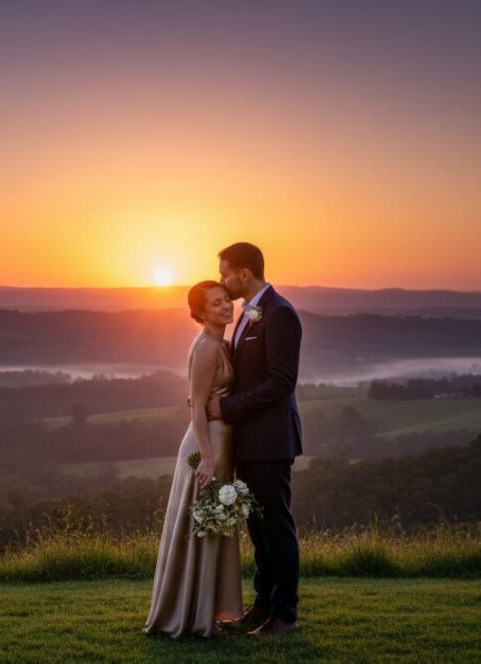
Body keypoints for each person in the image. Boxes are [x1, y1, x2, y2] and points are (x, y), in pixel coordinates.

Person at [206, 242, 303, 636]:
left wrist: (227, 409)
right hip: (249, 441)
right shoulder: (249, 313)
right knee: (258, 531)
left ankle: (286, 615)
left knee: (277, 528)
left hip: (270, 442)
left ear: (244, 273)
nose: (221, 280)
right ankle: (263, 606)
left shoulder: (280, 314)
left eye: (225, 272)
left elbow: (281, 382)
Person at [143, 280, 244, 638]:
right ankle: (192, 615)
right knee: (202, 528)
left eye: (227, 300)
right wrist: (206, 458)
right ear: (200, 313)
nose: (225, 307)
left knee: (214, 528)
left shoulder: (223, 344)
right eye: (216, 303)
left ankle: (209, 610)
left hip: (220, 446)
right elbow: (197, 407)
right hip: (207, 448)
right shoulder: (206, 348)